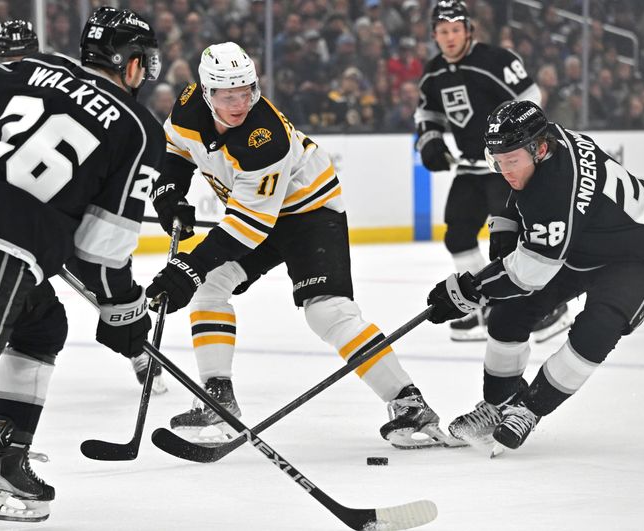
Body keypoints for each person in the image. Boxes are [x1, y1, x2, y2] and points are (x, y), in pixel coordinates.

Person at [0, 7, 163, 522]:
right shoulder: (138, 129)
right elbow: (102, 252)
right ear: (130, 63)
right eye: (141, 60)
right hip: (0, 249)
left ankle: (9, 462)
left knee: (42, 324)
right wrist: (126, 311)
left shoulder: (37, 66)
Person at [145, 42, 451, 449]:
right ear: (206, 93)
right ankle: (219, 400)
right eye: (228, 95)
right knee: (209, 288)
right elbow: (176, 150)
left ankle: (409, 403)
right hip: (258, 215)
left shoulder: (263, 137)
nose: (240, 104)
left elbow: (249, 226)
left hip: (310, 212)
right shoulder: (186, 106)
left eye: (247, 92)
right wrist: (169, 193)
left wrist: (188, 267)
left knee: (328, 312)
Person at [425, 100, 644, 453]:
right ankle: (498, 405)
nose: (505, 169)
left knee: (596, 329)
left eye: (512, 161)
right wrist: (506, 222)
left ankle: (529, 408)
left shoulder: (558, 187)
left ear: (539, 150)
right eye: (498, 160)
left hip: (638, 257)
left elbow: (529, 273)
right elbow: (519, 191)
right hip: (582, 243)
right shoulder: (544, 141)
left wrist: (470, 290)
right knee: (509, 312)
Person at [414, 0, 570, 342]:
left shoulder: (497, 61)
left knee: (509, 240)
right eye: (443, 31)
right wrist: (429, 139)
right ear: (434, 35)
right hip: (470, 168)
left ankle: (544, 308)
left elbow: (530, 97)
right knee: (457, 234)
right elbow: (428, 113)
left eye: (456, 29)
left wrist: (514, 144)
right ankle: (480, 307)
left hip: (506, 167)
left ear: (469, 29)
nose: (450, 37)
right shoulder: (433, 73)